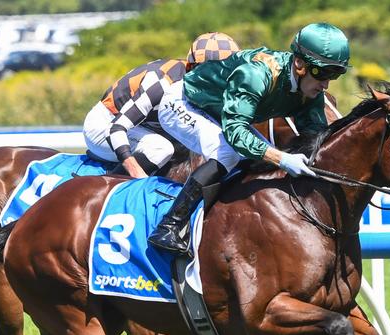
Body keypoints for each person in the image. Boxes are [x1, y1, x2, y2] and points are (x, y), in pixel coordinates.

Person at [148, 22, 350, 254]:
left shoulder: (310, 90)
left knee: (257, 159)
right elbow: (235, 132)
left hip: (220, 112)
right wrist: (283, 158)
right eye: (322, 72)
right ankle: (169, 226)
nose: (325, 83)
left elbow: (315, 136)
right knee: (228, 152)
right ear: (299, 63)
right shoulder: (257, 74)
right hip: (184, 102)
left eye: (334, 74)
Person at [83, 32, 240, 178]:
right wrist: (137, 174)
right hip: (106, 125)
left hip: (142, 127)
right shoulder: (163, 84)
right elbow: (115, 129)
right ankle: (108, 185)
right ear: (193, 67)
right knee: (160, 149)